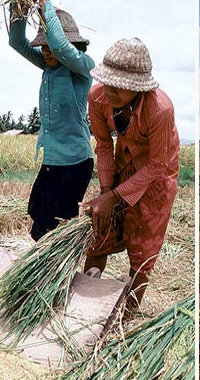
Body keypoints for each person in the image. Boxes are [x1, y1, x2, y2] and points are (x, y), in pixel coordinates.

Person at [82, 37, 180, 312]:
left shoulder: (159, 109)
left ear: (137, 87)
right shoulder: (97, 97)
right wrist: (105, 193)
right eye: (108, 82)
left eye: (120, 86)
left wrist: (114, 196)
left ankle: (127, 313)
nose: (111, 90)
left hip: (157, 175)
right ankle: (87, 301)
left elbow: (157, 164)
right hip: (123, 163)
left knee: (143, 242)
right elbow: (103, 145)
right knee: (100, 229)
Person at [8, 0, 95, 241]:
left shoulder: (81, 67)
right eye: (42, 46)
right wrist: (19, 3)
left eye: (48, 46)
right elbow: (16, 42)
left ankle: (60, 278)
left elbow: (59, 46)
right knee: (39, 226)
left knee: (60, 230)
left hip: (76, 163)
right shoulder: (49, 67)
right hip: (52, 162)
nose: (45, 51)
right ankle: (43, 277)